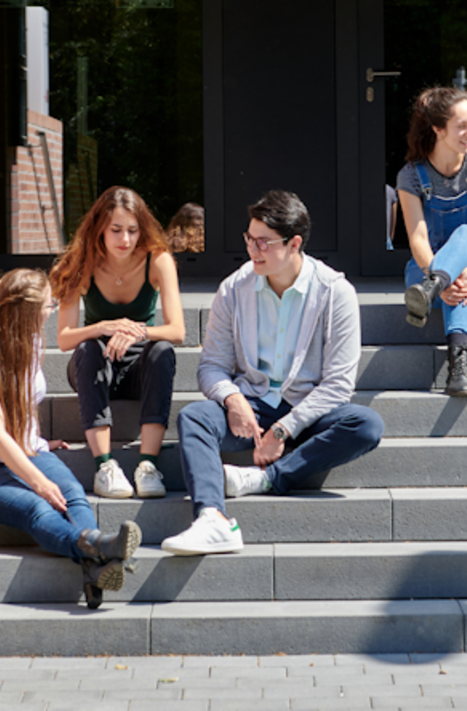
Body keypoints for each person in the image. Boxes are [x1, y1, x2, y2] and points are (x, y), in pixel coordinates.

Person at [159, 190, 386, 556]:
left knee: (366, 425)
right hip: (252, 406)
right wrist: (232, 399)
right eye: (250, 239)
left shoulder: (334, 292)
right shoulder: (234, 288)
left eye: (263, 242)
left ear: (294, 243)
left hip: (308, 411)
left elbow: (339, 385)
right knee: (194, 417)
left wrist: (284, 429)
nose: (253, 250)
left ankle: (265, 479)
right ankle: (212, 519)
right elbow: (212, 366)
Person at [0, 269, 141, 609]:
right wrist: (37, 481)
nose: (53, 309)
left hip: (27, 450)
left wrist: (37, 441)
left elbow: (21, 407)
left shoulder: (30, 344)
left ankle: (96, 563)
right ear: (27, 314)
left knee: (73, 495)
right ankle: (99, 547)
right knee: (40, 507)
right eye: (49, 304)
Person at [48, 186, 187, 500]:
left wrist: (136, 331)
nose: (125, 239)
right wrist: (103, 327)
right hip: (96, 365)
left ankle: (148, 466)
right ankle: (105, 467)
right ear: (99, 228)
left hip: (141, 370)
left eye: (132, 231)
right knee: (87, 347)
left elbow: (177, 331)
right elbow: (64, 339)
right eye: (116, 230)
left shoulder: (158, 260)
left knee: (163, 351)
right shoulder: (81, 262)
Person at [395, 87, 467, 398]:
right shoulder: (411, 176)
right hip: (423, 271)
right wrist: (437, 273)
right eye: (461, 125)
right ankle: (459, 367)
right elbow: (417, 238)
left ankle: (437, 284)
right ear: (438, 129)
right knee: (459, 261)